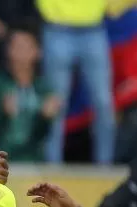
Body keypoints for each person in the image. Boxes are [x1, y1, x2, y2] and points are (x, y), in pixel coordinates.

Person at [37, 0, 114, 164]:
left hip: (94, 28)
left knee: (104, 103)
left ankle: (106, 167)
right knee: (55, 104)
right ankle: (52, 166)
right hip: (57, 27)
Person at [0, 28, 59, 162]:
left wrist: (45, 119)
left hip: (32, 160)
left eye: (27, 47)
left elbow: (41, 135)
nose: (22, 53)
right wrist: (1, 113)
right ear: (8, 51)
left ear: (38, 52)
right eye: (17, 47)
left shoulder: (43, 88)